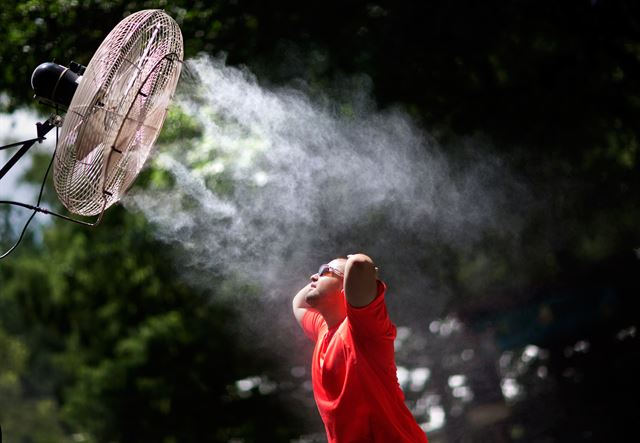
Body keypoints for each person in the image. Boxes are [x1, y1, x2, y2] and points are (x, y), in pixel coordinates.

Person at [292, 253, 428, 443]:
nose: (314, 277)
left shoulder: (364, 328)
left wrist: (353, 267)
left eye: (324, 271)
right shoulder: (324, 329)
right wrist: (333, 272)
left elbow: (360, 264)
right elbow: (298, 303)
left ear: (345, 287)